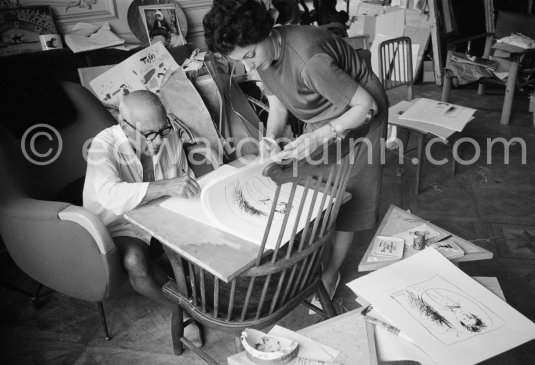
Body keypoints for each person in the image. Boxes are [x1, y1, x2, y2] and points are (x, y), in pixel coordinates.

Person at [203, 0, 389, 305]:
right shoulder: (263, 56)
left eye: (249, 56)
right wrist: (270, 137)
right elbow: (278, 103)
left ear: (266, 32)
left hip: (361, 116)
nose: (248, 67)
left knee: (351, 196)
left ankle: (330, 273)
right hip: (324, 114)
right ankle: (311, 261)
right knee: (316, 186)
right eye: (240, 61)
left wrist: (323, 134)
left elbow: (366, 107)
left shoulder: (308, 60)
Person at [83, 90, 203, 346]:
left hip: (158, 214)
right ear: (124, 126)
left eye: (163, 128)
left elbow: (184, 180)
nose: (159, 140)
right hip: (120, 223)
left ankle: (192, 298)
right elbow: (110, 195)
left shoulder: (167, 137)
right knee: (134, 260)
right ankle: (183, 312)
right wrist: (166, 186)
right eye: (149, 134)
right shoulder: (102, 145)